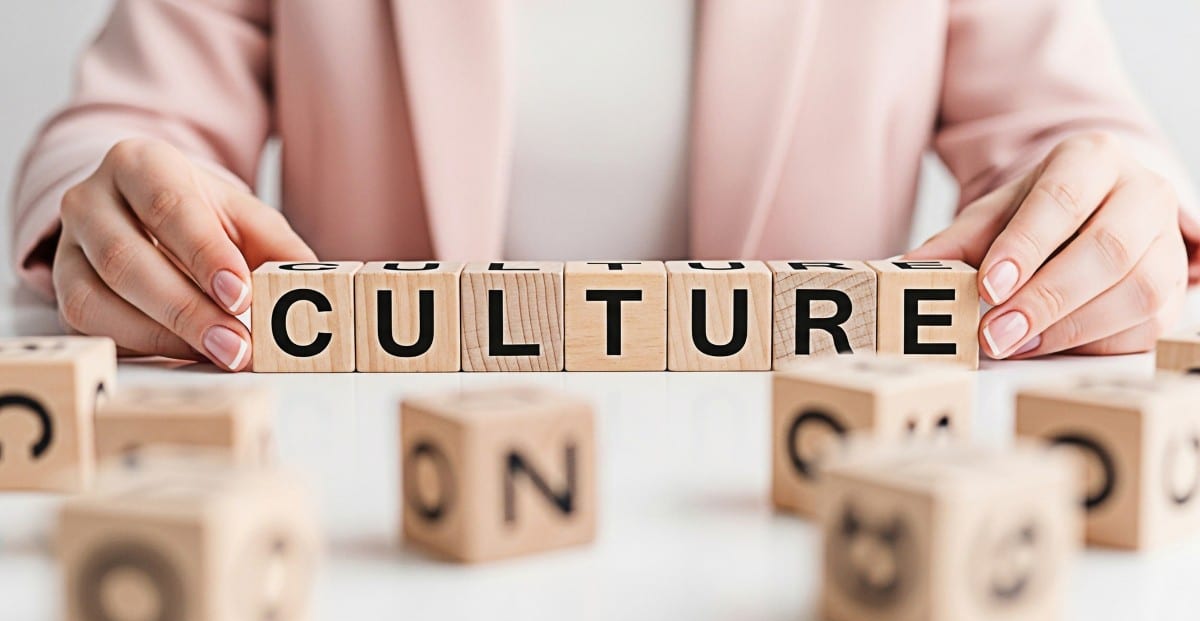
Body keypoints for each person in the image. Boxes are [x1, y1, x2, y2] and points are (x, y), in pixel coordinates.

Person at [10, 1, 1199, 372]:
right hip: (367, 501)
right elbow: (117, 131)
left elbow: (1087, 140)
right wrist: (110, 218)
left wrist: (1120, 213)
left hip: (801, 498)